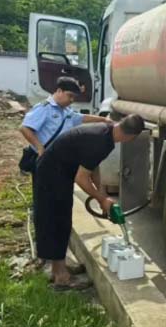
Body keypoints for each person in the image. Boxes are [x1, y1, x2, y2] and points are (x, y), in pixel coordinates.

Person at [34, 114, 145, 290]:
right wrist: (101, 199)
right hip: (51, 175)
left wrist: (102, 193)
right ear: (131, 137)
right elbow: (81, 178)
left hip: (58, 171)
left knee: (61, 221)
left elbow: (93, 166)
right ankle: (61, 277)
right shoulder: (100, 142)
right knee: (56, 221)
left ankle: (59, 268)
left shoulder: (106, 134)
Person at [19, 76, 111, 170]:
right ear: (59, 91)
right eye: (70, 95)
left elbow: (82, 118)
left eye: (74, 97)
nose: (72, 100)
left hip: (59, 158)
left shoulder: (66, 110)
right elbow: (25, 128)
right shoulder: (44, 108)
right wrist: (40, 148)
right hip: (45, 157)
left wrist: (104, 120)